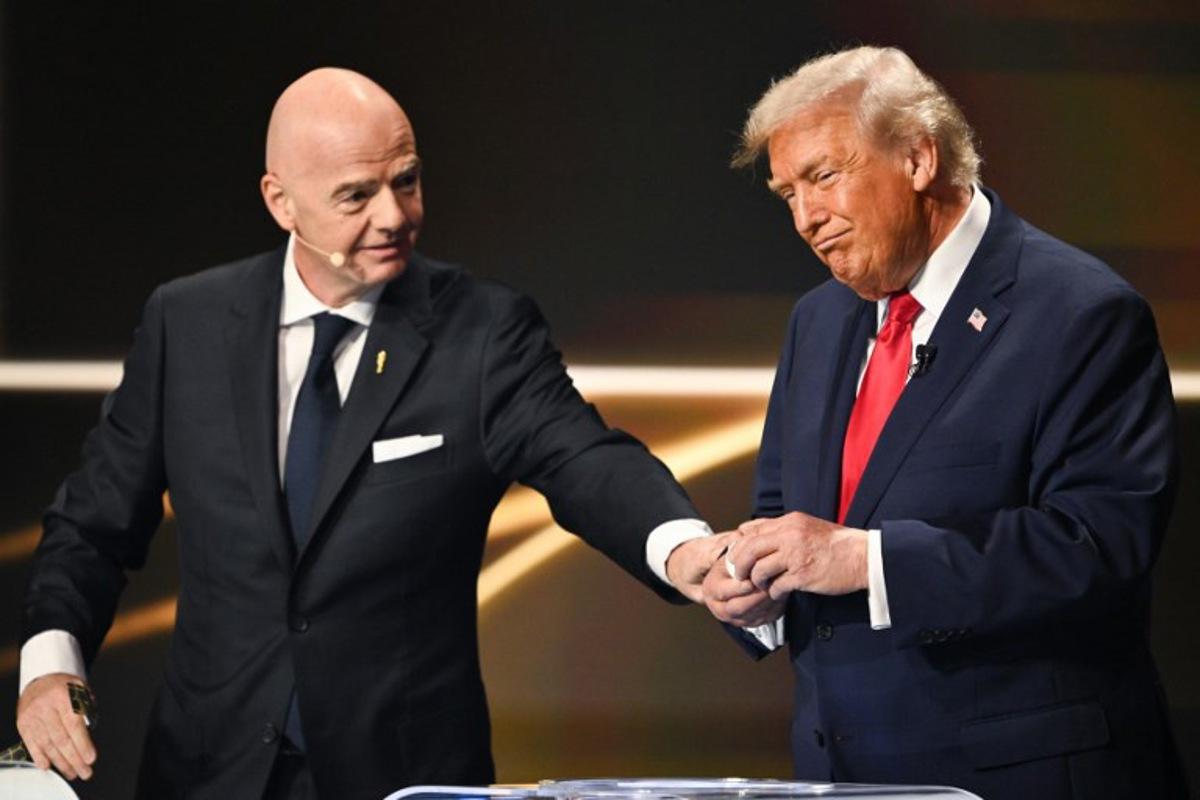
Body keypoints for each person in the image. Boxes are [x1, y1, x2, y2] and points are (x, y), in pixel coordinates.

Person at [14, 68, 725, 800]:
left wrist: (682, 548)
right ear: (280, 202)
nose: (394, 216)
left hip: (401, 777)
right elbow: (92, 527)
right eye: (356, 195)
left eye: (408, 181)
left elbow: (582, 456)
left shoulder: (482, 332)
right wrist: (50, 666)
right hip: (207, 771)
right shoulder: (185, 323)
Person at [701, 46, 1187, 799]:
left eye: (823, 178)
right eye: (786, 194)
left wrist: (867, 562)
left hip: (1023, 778)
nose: (804, 218)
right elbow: (785, 515)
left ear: (920, 158)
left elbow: (1099, 545)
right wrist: (753, 586)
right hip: (844, 775)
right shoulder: (819, 322)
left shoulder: (1079, 312)